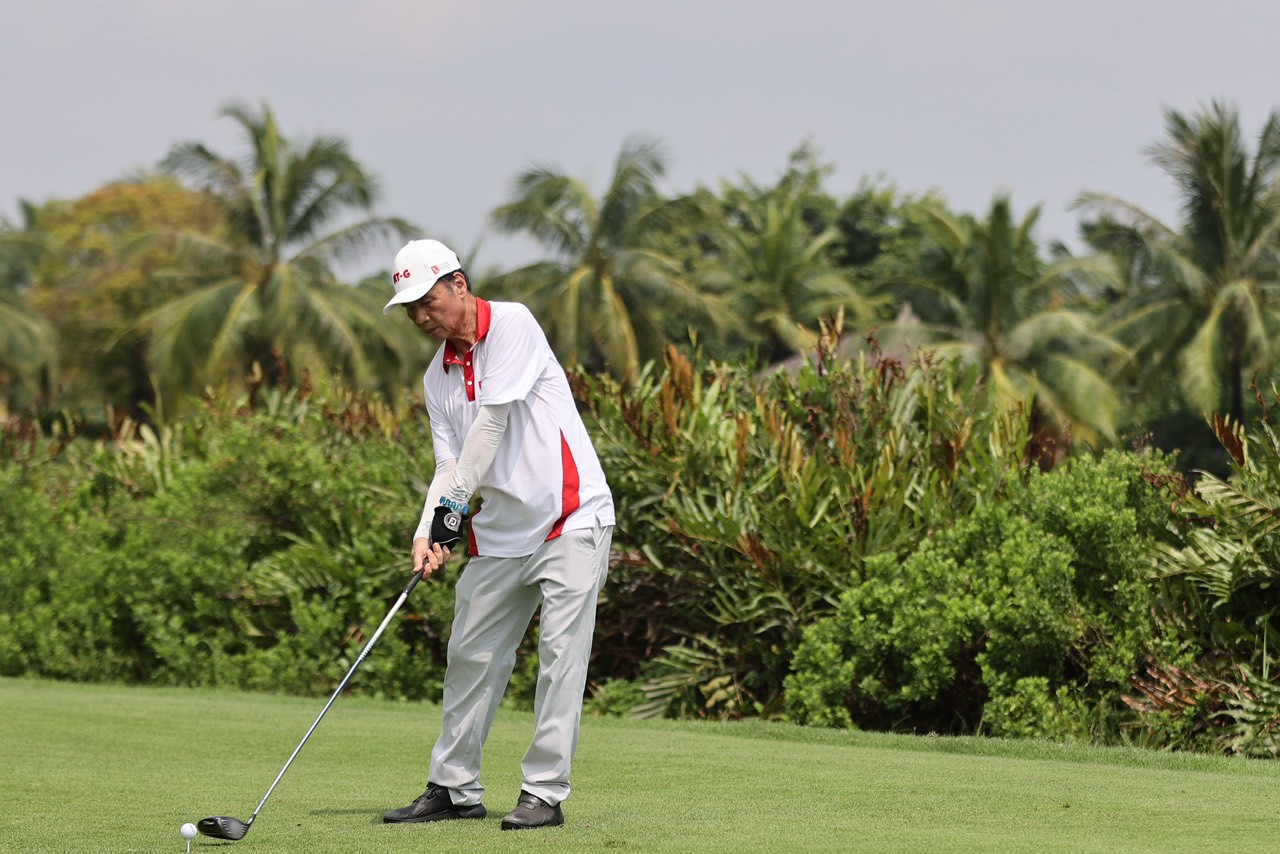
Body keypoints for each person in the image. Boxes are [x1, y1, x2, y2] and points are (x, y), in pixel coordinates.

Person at [379, 238, 615, 831]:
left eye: (427, 301)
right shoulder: (437, 379)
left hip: (570, 517)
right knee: (470, 655)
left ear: (459, 285)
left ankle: (543, 792)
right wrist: (427, 531)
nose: (421, 317)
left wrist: (451, 516)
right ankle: (454, 788)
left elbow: (491, 424)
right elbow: (447, 467)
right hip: (501, 532)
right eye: (410, 309)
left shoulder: (512, 324)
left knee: (560, 658)